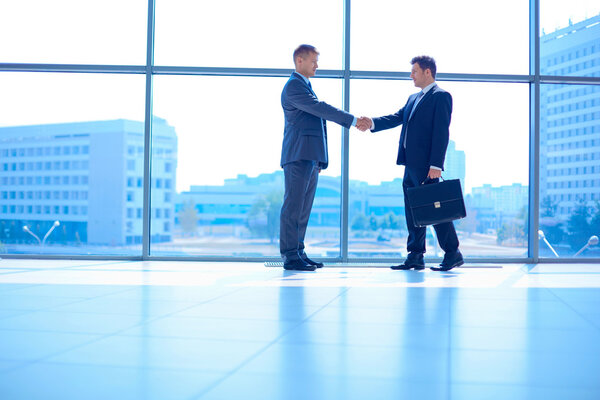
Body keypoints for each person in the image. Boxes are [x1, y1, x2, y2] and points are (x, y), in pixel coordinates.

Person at [357, 56, 464, 271]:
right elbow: (398, 117)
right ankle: (415, 255)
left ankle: (453, 253)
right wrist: (372, 123)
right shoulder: (413, 98)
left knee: (436, 211)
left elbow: (442, 132)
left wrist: (436, 164)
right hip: (410, 164)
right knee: (413, 211)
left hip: (427, 166)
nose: (411, 76)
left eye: (414, 71)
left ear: (427, 72)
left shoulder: (441, 96)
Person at [280, 44, 363, 271]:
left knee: (303, 207)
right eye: (314, 61)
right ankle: (289, 255)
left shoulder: (304, 86)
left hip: (309, 157)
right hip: (297, 156)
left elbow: (316, 121)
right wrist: (353, 120)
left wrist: (320, 160)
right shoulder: (294, 87)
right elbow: (320, 109)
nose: (317, 65)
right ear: (300, 60)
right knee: (293, 207)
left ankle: (298, 251)